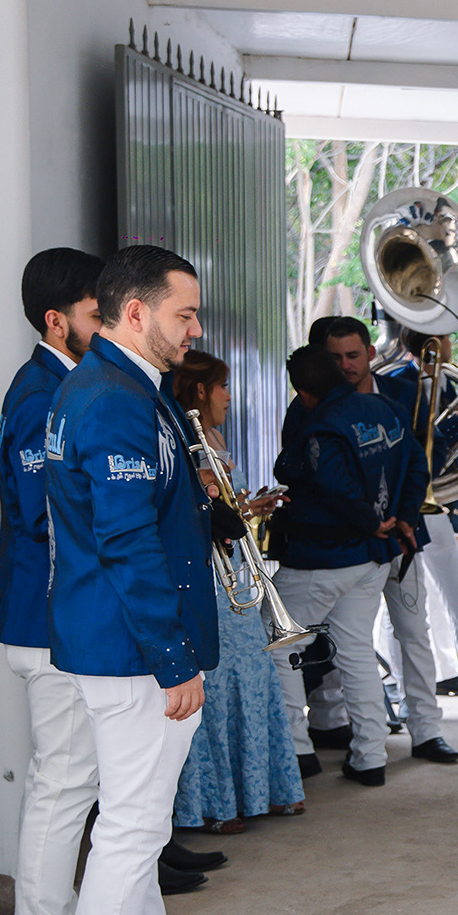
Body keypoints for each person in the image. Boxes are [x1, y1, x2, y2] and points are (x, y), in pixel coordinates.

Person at [43, 244, 237, 915]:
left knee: (141, 825)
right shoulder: (114, 402)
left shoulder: (122, 388)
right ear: (135, 313)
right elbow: (125, 542)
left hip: (120, 640)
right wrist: (173, 656)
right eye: (183, 314)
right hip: (130, 649)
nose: (195, 329)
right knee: (130, 829)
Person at [0, 248, 107, 915]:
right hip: (47, 616)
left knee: (70, 790)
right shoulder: (41, 397)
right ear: (56, 321)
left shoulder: (61, 386)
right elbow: (44, 515)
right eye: (97, 315)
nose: (109, 326)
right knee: (61, 792)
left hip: (60, 614)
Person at [302, 322, 458, 759]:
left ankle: (426, 729)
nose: (345, 366)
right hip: (349, 541)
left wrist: (406, 517)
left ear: (371, 353)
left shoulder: (402, 393)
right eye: (335, 358)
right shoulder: (312, 403)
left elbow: (422, 460)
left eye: (353, 355)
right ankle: (333, 721)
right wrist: (365, 520)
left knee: (414, 629)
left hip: (404, 534)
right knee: (346, 636)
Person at [267, 344, 426, 787]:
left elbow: (331, 483)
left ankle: (297, 753)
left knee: (278, 642)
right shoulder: (386, 409)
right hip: (374, 557)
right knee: (354, 650)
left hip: (323, 555)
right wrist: (402, 517)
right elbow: (417, 465)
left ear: (302, 392)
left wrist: (369, 521)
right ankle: (370, 757)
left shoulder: (320, 424)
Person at [168, 351, 305, 828]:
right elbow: (194, 513)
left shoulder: (217, 440)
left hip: (235, 574)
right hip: (211, 580)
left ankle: (261, 792)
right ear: (201, 390)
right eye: (222, 386)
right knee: (222, 686)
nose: (228, 396)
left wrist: (248, 508)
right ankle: (217, 805)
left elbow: (223, 510)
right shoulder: (188, 443)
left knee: (252, 678)